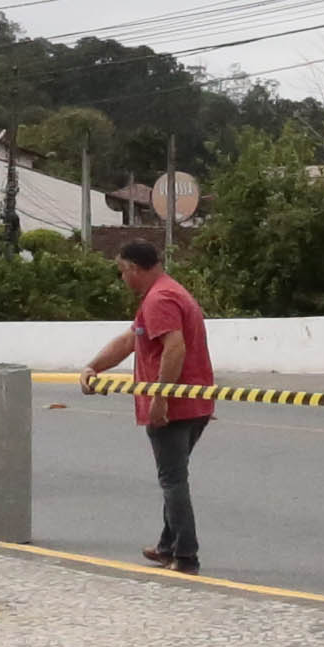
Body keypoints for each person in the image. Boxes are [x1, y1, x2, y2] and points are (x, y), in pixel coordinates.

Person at [85, 237, 218, 573]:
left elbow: (175, 348)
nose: (122, 279)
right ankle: (167, 545)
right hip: (193, 401)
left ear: (132, 268)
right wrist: (94, 367)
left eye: (121, 271)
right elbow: (131, 339)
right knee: (173, 475)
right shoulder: (166, 292)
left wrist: (160, 398)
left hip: (176, 405)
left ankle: (185, 554)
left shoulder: (160, 298)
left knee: (172, 480)